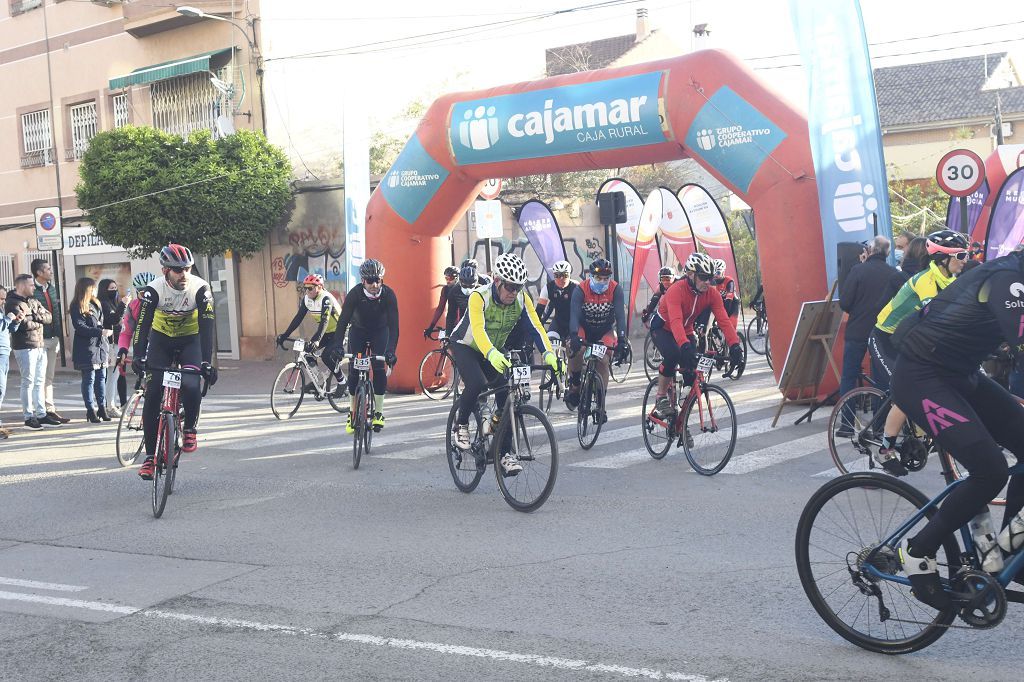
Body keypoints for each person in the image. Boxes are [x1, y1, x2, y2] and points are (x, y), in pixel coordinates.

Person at [890, 248, 1024, 610]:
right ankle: (918, 549)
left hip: (961, 375)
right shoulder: (1008, 280)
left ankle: (1009, 548)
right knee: (990, 470)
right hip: (922, 376)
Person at [447, 253, 559, 473]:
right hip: (466, 345)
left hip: (494, 350)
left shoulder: (521, 299)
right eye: (510, 286)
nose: (514, 292)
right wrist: (491, 353)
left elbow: (536, 328)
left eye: (518, 287)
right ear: (497, 281)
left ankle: (504, 453)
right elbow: (478, 330)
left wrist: (549, 354)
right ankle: (461, 425)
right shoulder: (479, 296)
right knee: (477, 382)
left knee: (508, 395)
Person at [869, 230, 969, 474]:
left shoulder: (950, 280)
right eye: (961, 254)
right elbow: (938, 320)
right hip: (885, 337)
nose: (966, 259)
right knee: (905, 391)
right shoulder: (926, 280)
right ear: (943, 258)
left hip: (910, 340)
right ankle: (883, 450)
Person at [132, 245, 217, 480]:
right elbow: (142, 325)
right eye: (178, 270)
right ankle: (150, 458)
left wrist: (206, 363)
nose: (184, 274)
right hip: (161, 342)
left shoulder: (201, 288)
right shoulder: (154, 290)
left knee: (191, 385)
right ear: (165, 270)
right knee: (153, 395)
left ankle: (189, 428)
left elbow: (208, 326)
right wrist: (138, 355)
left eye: (187, 269)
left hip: (191, 341)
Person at [649, 253, 742, 419]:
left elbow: (724, 321)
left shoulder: (711, 294)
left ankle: (681, 421)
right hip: (663, 328)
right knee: (673, 355)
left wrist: (735, 346)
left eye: (710, 278)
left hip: (685, 330)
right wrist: (684, 346)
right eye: (704, 277)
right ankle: (661, 397)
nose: (708, 282)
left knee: (692, 371)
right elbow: (676, 322)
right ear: (691, 275)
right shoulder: (676, 291)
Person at [324, 259, 399, 433]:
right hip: (359, 331)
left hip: (380, 332)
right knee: (354, 371)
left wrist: (391, 351)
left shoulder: (389, 295)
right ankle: (352, 412)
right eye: (370, 280)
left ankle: (378, 412)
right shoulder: (355, 294)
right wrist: (337, 345)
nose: (374, 284)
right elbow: (342, 322)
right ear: (362, 281)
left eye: (378, 280)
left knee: (378, 367)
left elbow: (394, 327)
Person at [837, 237, 904, 413]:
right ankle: (879, 424)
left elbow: (844, 302)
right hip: (884, 332)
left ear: (869, 250)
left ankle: (846, 422)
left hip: (857, 330)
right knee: (881, 377)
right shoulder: (894, 274)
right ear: (888, 252)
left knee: (849, 376)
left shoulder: (858, 270)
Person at [565, 258, 626, 417]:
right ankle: (576, 383)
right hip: (584, 327)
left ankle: (600, 405)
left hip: (604, 331)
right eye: (599, 278)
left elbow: (620, 317)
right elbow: (574, 315)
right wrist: (573, 335)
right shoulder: (581, 289)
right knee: (575, 349)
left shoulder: (615, 290)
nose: (603, 281)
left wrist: (622, 340)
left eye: (606, 278)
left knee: (603, 361)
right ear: (590, 276)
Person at [4, 274, 55, 430]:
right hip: (25, 346)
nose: (34, 287)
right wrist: (36, 319)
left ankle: (41, 414)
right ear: (22, 286)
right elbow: (24, 324)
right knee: (28, 381)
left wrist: (34, 315)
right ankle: (28, 417)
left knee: (40, 381)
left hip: (40, 344)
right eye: (31, 285)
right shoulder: (12, 302)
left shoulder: (33, 300)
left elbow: (49, 317)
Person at [30, 258, 69, 424]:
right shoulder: (33, 291)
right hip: (40, 339)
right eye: (47, 269)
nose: (51, 271)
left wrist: (60, 338)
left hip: (53, 337)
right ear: (39, 273)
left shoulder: (52, 288)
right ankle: (38, 411)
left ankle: (49, 408)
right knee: (38, 377)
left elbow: (57, 315)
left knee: (49, 377)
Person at [276, 273, 342, 370]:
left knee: (326, 356)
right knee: (307, 353)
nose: (307, 291)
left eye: (310, 288)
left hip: (339, 332)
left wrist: (316, 340)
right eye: (305, 288)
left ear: (319, 287)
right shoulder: (307, 300)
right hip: (326, 332)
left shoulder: (326, 299)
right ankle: (318, 381)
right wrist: (285, 335)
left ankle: (342, 381)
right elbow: (298, 318)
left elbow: (324, 321)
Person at [69, 278, 109, 423]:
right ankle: (90, 410)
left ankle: (102, 408)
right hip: (86, 348)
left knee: (101, 379)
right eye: (92, 288)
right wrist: (100, 332)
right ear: (86, 289)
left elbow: (103, 321)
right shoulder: (77, 305)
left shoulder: (95, 303)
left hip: (100, 347)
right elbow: (80, 327)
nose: (95, 290)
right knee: (89, 379)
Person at [116, 272, 155, 376]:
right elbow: (126, 333)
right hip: (144, 341)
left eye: (151, 293)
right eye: (143, 294)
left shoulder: (163, 303)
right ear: (137, 292)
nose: (148, 297)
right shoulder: (133, 306)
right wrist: (123, 350)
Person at [98, 278, 126, 416]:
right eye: (111, 288)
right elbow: (113, 319)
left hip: (117, 342)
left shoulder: (112, 303)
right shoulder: (104, 304)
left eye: (115, 288)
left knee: (114, 375)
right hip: (109, 343)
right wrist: (123, 304)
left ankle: (110, 405)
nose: (114, 291)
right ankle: (109, 406)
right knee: (111, 375)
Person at [535, 260, 577, 341]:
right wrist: (538, 325)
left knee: (574, 347)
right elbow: (539, 310)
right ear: (554, 276)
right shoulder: (548, 288)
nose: (561, 278)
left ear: (569, 275)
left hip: (573, 323)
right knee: (550, 342)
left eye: (565, 275)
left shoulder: (576, 287)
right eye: (558, 275)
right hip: (558, 322)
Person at [0, 286, 18, 439]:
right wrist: (8, 319)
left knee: (2, 390)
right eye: (0, 298)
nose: (3, 301)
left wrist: (16, 322)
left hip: (4, 353)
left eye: (4, 298)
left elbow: (7, 329)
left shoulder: (1, 311)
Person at [423, 266, 460, 337]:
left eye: (451, 278)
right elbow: (440, 308)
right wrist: (431, 326)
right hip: (451, 322)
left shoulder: (462, 290)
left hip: (462, 322)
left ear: (457, 278)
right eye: (446, 278)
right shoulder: (445, 289)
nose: (448, 281)